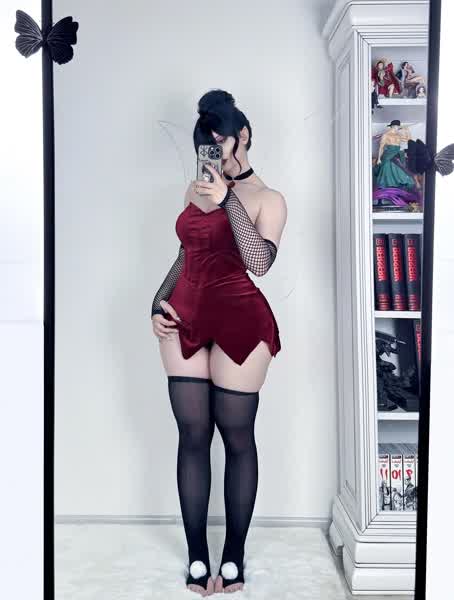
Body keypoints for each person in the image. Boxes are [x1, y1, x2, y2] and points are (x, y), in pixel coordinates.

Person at [150, 89, 287, 596]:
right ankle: (196, 555)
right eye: (205, 144)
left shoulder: (269, 199)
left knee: (236, 438)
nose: (213, 151)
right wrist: (156, 303)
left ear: (242, 135)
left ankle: (233, 555)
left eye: (220, 140)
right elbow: (186, 254)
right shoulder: (194, 189)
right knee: (191, 437)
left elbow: (259, 262)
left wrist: (227, 198)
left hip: (240, 322)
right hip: (185, 315)